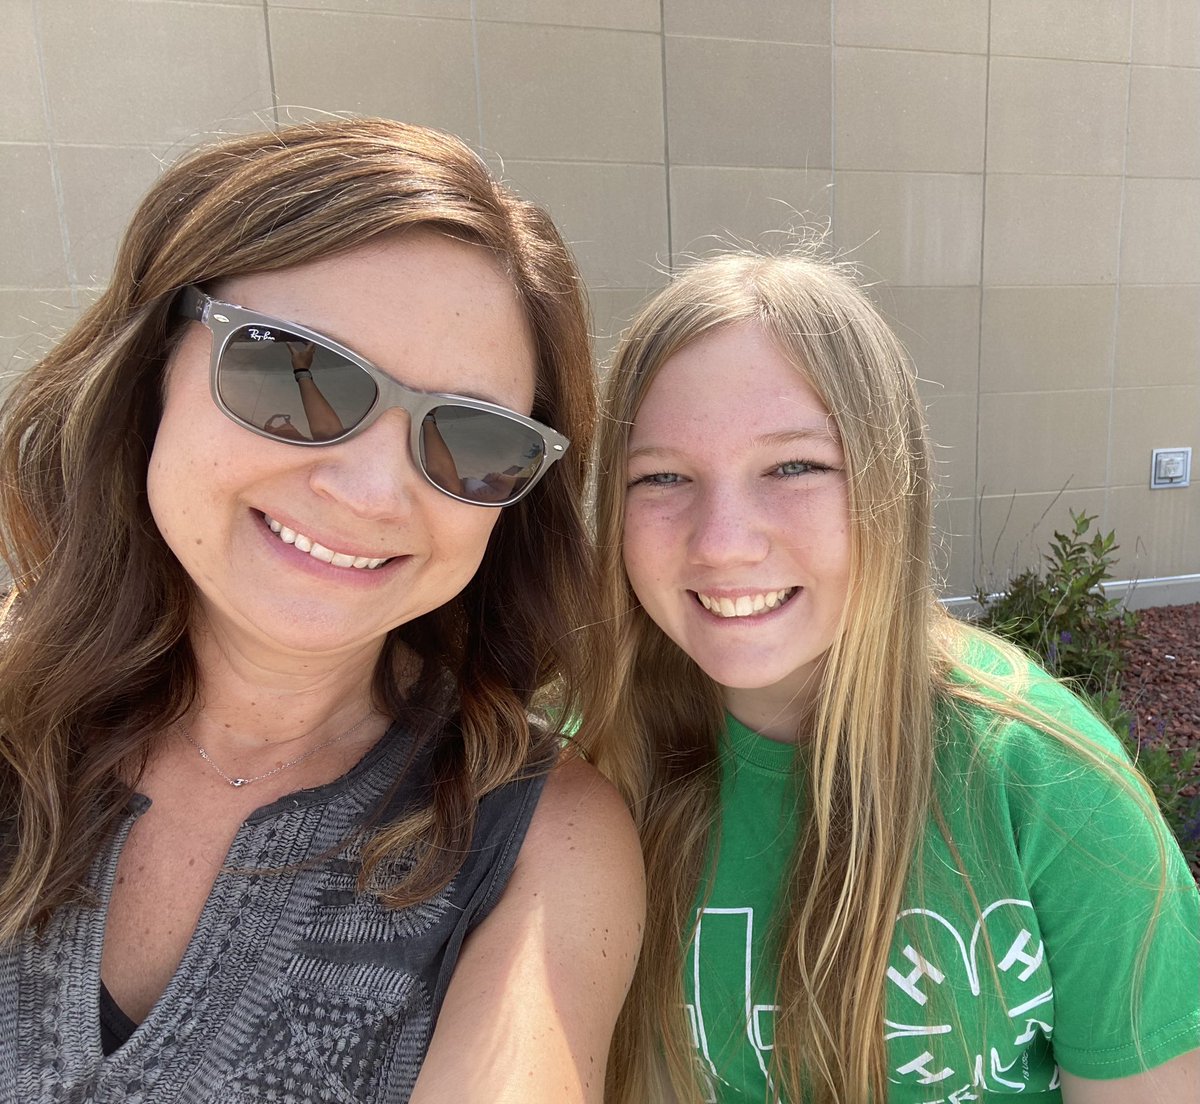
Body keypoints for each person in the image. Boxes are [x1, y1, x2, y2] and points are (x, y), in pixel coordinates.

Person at [0, 118, 643, 1102]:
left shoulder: (535, 841)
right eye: (295, 374)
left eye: (472, 439)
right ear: (152, 367)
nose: (373, 492)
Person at [584, 249, 1200, 1103]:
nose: (722, 542)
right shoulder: (579, 775)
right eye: (661, 476)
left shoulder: (1048, 782)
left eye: (793, 467)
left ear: (890, 485)